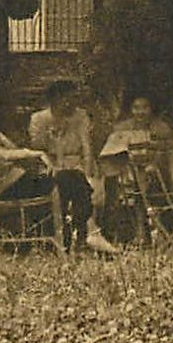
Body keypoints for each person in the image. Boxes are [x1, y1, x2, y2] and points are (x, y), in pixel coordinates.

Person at [28, 80, 114, 254]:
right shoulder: (39, 119)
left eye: (73, 98)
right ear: (55, 99)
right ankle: (88, 234)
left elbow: (86, 145)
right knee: (70, 183)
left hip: (77, 162)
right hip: (50, 165)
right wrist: (53, 138)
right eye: (66, 99)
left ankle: (85, 233)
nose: (70, 103)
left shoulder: (80, 116)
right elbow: (38, 150)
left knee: (92, 185)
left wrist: (89, 168)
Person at [100, 96, 173, 190]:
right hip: (129, 163)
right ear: (131, 109)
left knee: (171, 156)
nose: (140, 112)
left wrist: (152, 146)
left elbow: (169, 145)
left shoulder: (161, 127)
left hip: (154, 161)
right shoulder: (122, 127)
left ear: (151, 109)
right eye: (136, 108)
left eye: (145, 108)